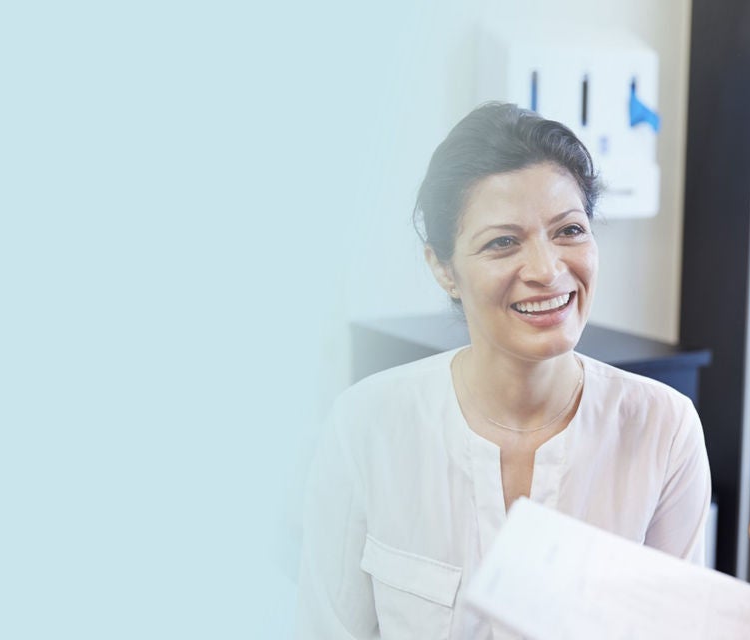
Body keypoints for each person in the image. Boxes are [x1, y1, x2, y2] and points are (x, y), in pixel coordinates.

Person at [295, 103, 712, 639]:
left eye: (568, 230)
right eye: (502, 242)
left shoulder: (664, 429)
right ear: (443, 269)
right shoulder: (365, 425)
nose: (546, 270)